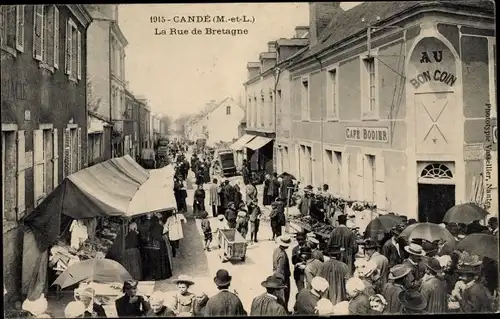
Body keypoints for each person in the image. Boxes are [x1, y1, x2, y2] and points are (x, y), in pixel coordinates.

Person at [144, 215, 172, 280]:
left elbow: (152, 237)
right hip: (162, 245)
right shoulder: (160, 226)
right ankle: (164, 275)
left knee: (157, 261)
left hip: (156, 246)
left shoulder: (151, 228)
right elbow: (163, 233)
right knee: (163, 260)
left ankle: (158, 276)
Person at [272, 235, 292, 310]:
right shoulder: (282, 255)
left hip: (276, 276)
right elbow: (281, 270)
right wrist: (283, 283)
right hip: (282, 279)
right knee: (284, 296)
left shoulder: (276, 250)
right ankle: (284, 311)